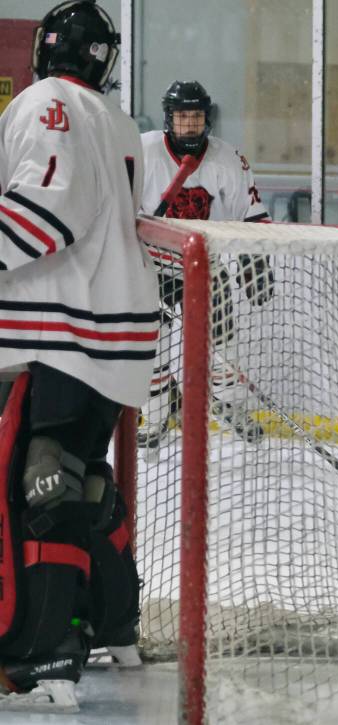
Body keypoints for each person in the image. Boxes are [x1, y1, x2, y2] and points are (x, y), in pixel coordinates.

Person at [0, 0, 156, 704]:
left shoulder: (47, 103)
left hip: (59, 328)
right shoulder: (120, 121)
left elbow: (48, 209)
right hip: (112, 334)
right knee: (83, 480)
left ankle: (47, 651)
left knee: (42, 481)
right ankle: (114, 623)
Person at [137, 80, 274, 448]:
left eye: (196, 116)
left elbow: (252, 215)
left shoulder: (227, 158)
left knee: (225, 343)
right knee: (152, 343)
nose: (190, 125)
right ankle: (155, 415)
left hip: (204, 268)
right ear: (169, 119)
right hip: (152, 268)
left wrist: (253, 260)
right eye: (182, 117)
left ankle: (227, 405)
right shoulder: (144, 151)